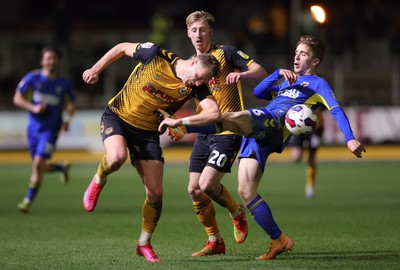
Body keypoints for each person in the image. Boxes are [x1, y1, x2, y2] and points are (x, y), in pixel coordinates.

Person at [159, 35, 366, 260]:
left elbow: (335, 109)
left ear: (315, 62)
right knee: (246, 191)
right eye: (296, 52)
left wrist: (350, 138)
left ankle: (182, 128)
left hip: (274, 122)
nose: (297, 56)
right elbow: (259, 92)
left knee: (230, 117)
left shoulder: (319, 84)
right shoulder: (286, 80)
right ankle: (279, 240)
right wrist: (277, 74)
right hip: (259, 135)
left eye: (304, 54)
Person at [81, 41, 221, 263]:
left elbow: (214, 113)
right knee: (117, 157)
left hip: (147, 132)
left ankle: (143, 243)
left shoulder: (195, 87)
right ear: (193, 61)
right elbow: (120, 48)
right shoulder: (156, 55)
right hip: (118, 116)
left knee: (155, 194)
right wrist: (95, 69)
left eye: (202, 82)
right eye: (198, 77)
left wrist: (180, 122)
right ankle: (99, 177)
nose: (197, 83)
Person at [157, 10, 267, 257]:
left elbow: (261, 70)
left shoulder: (226, 53)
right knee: (194, 189)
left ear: (211, 31)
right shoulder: (190, 65)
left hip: (229, 130)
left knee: (207, 184)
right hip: (206, 132)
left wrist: (243, 74)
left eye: (203, 29)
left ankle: (236, 212)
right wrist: (180, 124)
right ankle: (215, 240)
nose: (198, 34)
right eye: (194, 30)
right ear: (188, 33)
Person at [14, 46, 76, 214]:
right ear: (42, 61)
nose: (51, 61)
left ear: (58, 61)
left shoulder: (63, 83)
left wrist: (67, 120)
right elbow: (17, 98)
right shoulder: (32, 78)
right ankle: (61, 168)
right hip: (33, 129)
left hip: (51, 130)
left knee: (37, 163)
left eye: (54, 58)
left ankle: (27, 201)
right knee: (39, 166)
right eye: (48, 58)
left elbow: (72, 104)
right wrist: (32, 108)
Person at [289, 109, 324, 198]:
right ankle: (304, 146)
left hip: (315, 126)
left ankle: (310, 187)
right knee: (296, 157)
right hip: (298, 125)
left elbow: (325, 105)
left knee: (311, 158)